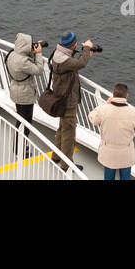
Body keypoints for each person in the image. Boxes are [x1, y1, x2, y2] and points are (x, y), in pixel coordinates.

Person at [48, 31, 94, 170]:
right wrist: (86, 49)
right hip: (68, 101)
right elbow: (81, 63)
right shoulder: (66, 61)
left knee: (62, 127)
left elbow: (73, 63)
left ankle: (56, 155)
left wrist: (82, 51)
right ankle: (66, 165)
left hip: (60, 97)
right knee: (69, 132)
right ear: (73, 45)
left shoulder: (57, 53)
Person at [88, 83, 135, 180]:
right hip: (126, 153)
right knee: (125, 177)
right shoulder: (132, 113)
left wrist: (106, 104)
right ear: (126, 96)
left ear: (113, 94)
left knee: (109, 177)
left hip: (108, 152)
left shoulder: (104, 109)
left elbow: (92, 117)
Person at [5, 33, 48, 152]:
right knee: (26, 123)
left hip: (15, 90)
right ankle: (20, 149)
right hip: (25, 94)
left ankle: (17, 146)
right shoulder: (23, 62)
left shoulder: (11, 55)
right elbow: (39, 70)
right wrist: (38, 53)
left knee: (20, 118)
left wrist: (30, 52)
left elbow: (22, 63)